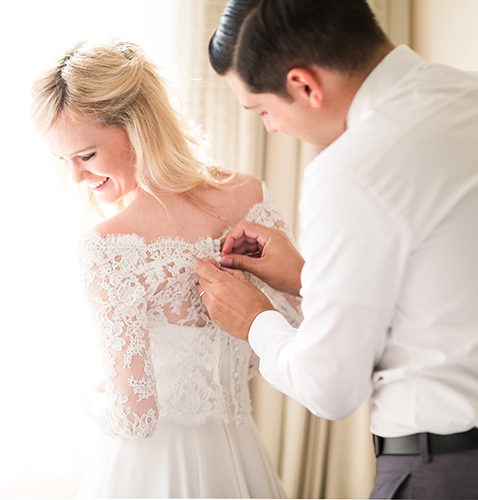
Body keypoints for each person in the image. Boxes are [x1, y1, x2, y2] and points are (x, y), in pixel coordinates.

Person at [193, 0, 478, 498]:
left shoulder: (350, 169)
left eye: (262, 110)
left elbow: (331, 388)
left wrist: (255, 320)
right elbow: (444, 288)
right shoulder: (466, 96)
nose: (271, 128)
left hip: (446, 470)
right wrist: (309, 278)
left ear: (304, 85)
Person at [30, 39, 302, 498]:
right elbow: (287, 334)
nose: (76, 176)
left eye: (87, 155)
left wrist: (88, 397)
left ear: (139, 128)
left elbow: (134, 418)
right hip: (238, 452)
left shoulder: (108, 246)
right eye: (64, 160)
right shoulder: (250, 195)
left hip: (151, 472)